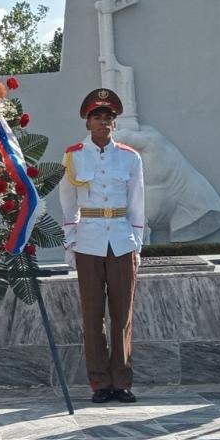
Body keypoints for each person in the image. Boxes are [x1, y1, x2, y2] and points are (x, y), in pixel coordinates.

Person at [59, 88, 145, 404]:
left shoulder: (129, 157)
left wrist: (137, 244)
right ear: (88, 122)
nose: (104, 123)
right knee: (92, 315)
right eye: (98, 117)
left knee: (122, 314)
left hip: (121, 240)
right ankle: (99, 383)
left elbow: (138, 202)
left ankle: (121, 382)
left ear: (114, 123)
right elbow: (68, 202)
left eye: (108, 118)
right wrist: (70, 243)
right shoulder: (73, 156)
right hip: (89, 240)